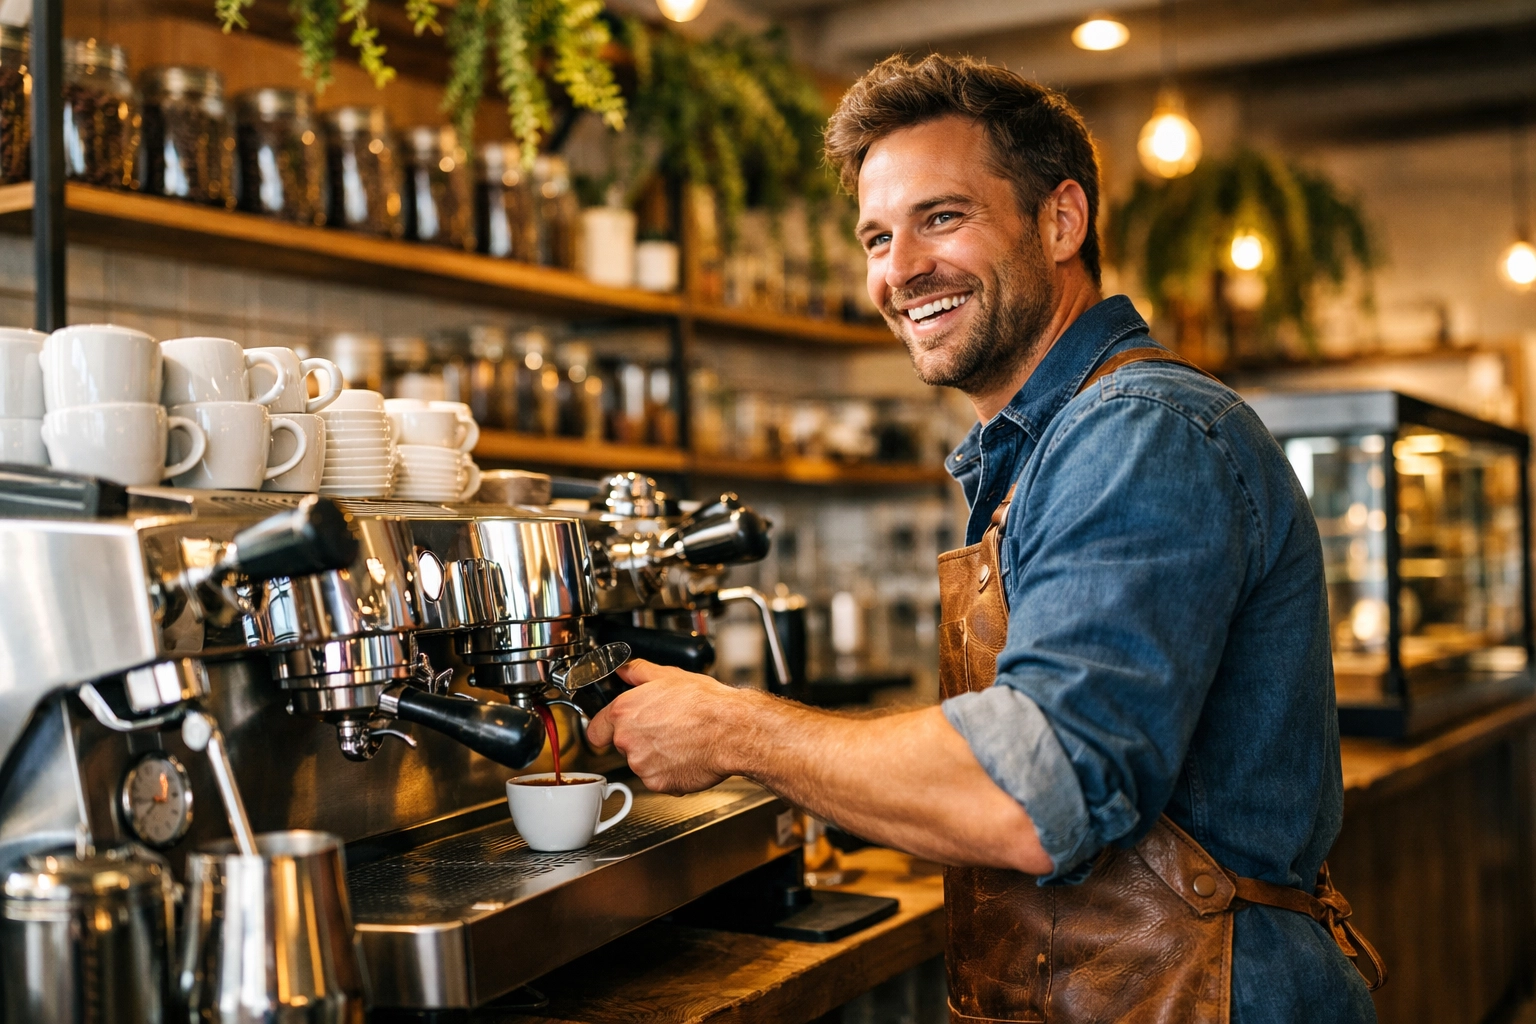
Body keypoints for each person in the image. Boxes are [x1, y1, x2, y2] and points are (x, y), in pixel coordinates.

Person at [587, 54, 1380, 1023]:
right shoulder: (1044, 451)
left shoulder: (1140, 432)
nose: (899, 269)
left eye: (942, 217)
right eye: (876, 235)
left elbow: (1028, 791)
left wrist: (732, 727)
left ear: (1061, 221)